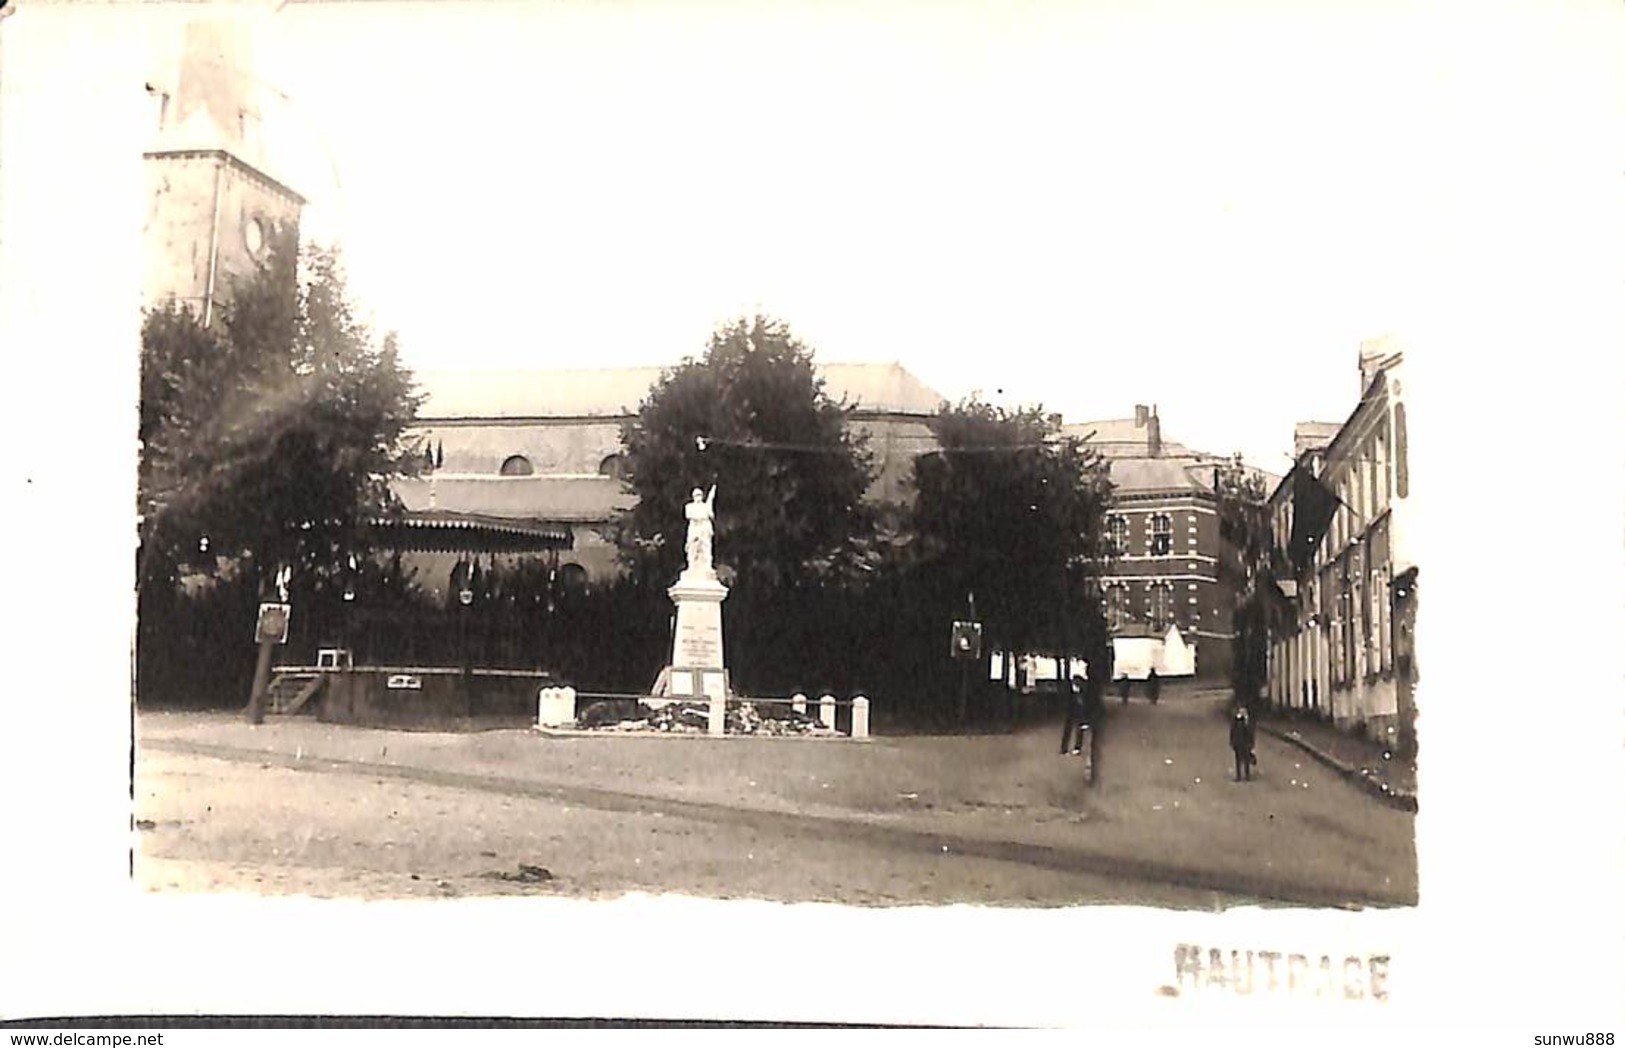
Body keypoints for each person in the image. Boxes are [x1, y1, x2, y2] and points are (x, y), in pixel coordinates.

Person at [1059, 675, 1089, 755]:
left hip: (1079, 713)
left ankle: (1077, 748)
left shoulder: (1083, 691)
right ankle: (1064, 748)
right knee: (1068, 730)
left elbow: (1085, 704)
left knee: (1078, 730)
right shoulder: (1068, 691)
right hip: (1070, 712)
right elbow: (1066, 702)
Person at [1230, 707, 1257, 782]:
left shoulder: (1247, 721)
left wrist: (1252, 744)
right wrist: (1232, 742)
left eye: (1244, 712)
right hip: (1238, 743)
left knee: (1246, 760)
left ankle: (1247, 775)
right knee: (1238, 760)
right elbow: (1233, 731)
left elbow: (1251, 733)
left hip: (1246, 743)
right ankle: (1239, 776)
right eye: (1241, 712)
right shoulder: (1236, 721)